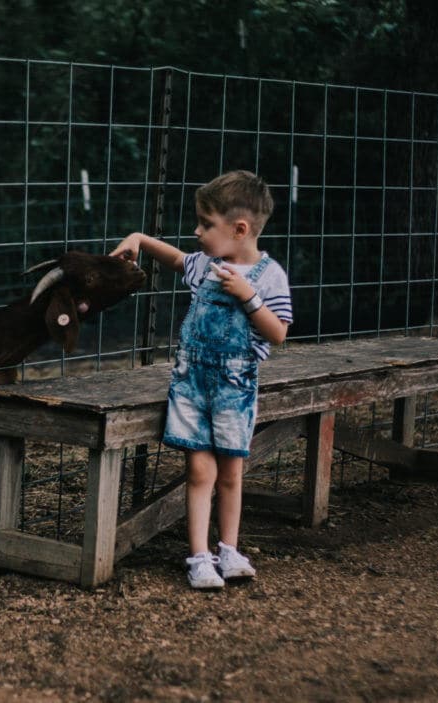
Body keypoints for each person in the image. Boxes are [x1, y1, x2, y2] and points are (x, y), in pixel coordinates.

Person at [111, 170, 293, 589]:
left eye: (206, 224)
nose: (197, 232)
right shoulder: (205, 266)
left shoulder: (268, 276)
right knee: (199, 472)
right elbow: (175, 259)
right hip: (192, 388)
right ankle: (199, 557)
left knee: (231, 473)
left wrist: (248, 297)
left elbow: (278, 332)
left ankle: (228, 550)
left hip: (234, 390)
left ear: (240, 229)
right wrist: (139, 238)